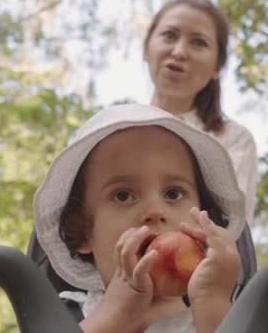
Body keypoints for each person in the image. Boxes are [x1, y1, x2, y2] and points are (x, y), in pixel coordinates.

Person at [34, 104, 247, 332]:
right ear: (84, 230)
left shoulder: (215, 318)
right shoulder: (64, 317)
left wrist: (213, 304)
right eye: (123, 196)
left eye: (173, 193)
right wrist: (113, 317)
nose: (155, 210)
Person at [143, 0, 258, 225]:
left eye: (198, 42)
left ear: (217, 67)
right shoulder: (109, 131)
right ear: (146, 48)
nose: (179, 51)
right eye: (169, 35)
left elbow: (230, 228)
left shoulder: (234, 141)